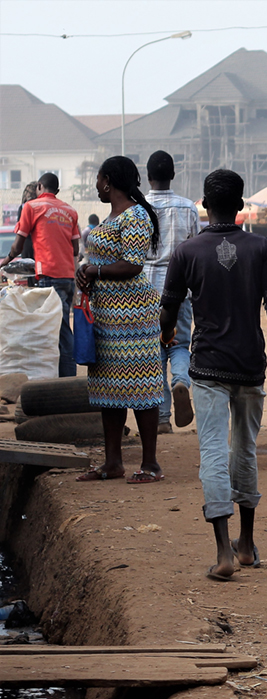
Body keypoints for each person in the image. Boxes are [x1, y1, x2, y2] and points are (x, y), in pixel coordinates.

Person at [160, 169, 267, 582]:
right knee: (245, 449)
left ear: (204, 203)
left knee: (214, 453)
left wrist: (165, 341)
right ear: (239, 206)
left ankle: (223, 554)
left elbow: (168, 309)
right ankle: (248, 544)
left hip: (207, 365)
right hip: (250, 364)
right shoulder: (260, 249)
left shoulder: (188, 251)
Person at [74, 156, 165, 484]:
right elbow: (97, 259)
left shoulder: (135, 215)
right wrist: (85, 272)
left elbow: (133, 264)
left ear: (108, 180)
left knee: (141, 386)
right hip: (105, 314)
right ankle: (113, 462)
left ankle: (151, 464)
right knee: (108, 389)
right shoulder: (113, 216)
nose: (95, 186)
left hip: (133, 317)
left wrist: (93, 270)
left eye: (97, 180)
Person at [144, 151, 201, 434]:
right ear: (173, 175)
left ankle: (162, 418)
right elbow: (196, 250)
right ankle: (181, 380)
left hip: (145, 292)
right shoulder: (188, 208)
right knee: (178, 345)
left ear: (148, 176)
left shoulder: (137, 209)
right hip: (181, 291)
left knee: (153, 351)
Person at [7, 173, 80, 377]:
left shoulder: (31, 207)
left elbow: (18, 244)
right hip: (67, 277)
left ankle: (63, 382)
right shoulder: (70, 210)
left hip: (47, 275)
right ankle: (63, 378)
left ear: (40, 186)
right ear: (56, 190)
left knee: (57, 332)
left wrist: (7, 260)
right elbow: (75, 249)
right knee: (61, 326)